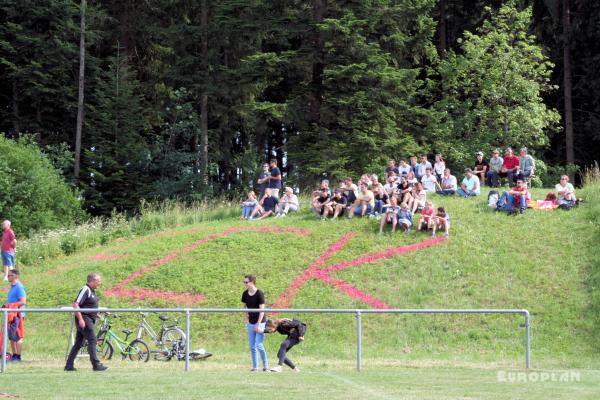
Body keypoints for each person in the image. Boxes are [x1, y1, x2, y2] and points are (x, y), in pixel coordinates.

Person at [65, 273, 108, 371]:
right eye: (98, 281)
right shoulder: (85, 289)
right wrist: (80, 319)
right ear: (92, 281)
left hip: (88, 318)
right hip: (84, 319)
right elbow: (76, 305)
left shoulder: (92, 291)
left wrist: (95, 315)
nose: (100, 283)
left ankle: (69, 365)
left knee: (78, 343)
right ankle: (96, 365)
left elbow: (87, 306)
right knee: (92, 340)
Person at [241, 274, 268, 372]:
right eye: (244, 282)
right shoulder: (245, 293)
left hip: (260, 322)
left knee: (259, 345)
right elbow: (244, 307)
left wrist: (258, 324)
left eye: (246, 282)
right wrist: (246, 319)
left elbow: (262, 310)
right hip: (251, 322)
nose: (245, 283)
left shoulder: (259, 293)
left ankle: (265, 366)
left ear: (252, 282)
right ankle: (255, 367)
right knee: (252, 346)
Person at [5, 269, 26, 362]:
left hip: (18, 315)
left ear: (15, 276)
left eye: (10, 275)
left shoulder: (19, 287)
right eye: (8, 275)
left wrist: (10, 306)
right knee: (11, 337)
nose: (8, 277)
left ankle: (18, 356)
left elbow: (23, 301)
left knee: (18, 336)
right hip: (11, 315)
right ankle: (14, 355)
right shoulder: (12, 287)